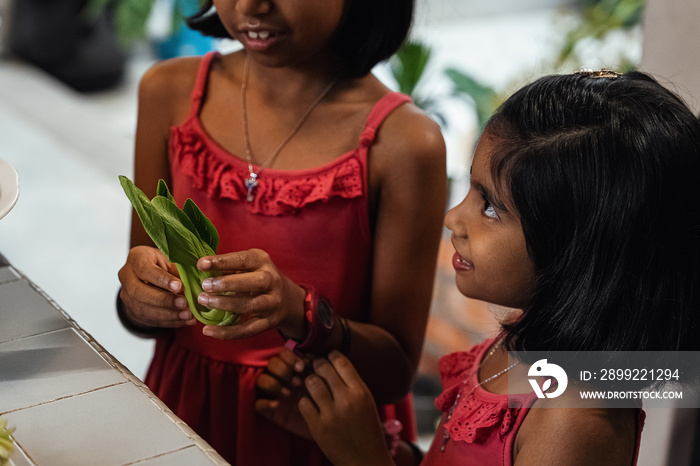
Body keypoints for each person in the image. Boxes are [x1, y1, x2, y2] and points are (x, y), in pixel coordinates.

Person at [260, 69, 700, 465]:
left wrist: (364, 459)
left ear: (583, 254)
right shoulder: (523, 338)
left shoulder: (574, 423)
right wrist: (365, 440)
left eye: (490, 207)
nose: (453, 218)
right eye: (471, 189)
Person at [116, 0, 446, 464]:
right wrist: (139, 297)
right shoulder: (168, 91)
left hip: (314, 428)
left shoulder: (405, 143)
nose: (252, 5)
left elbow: (393, 370)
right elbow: (142, 302)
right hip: (182, 408)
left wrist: (301, 313)